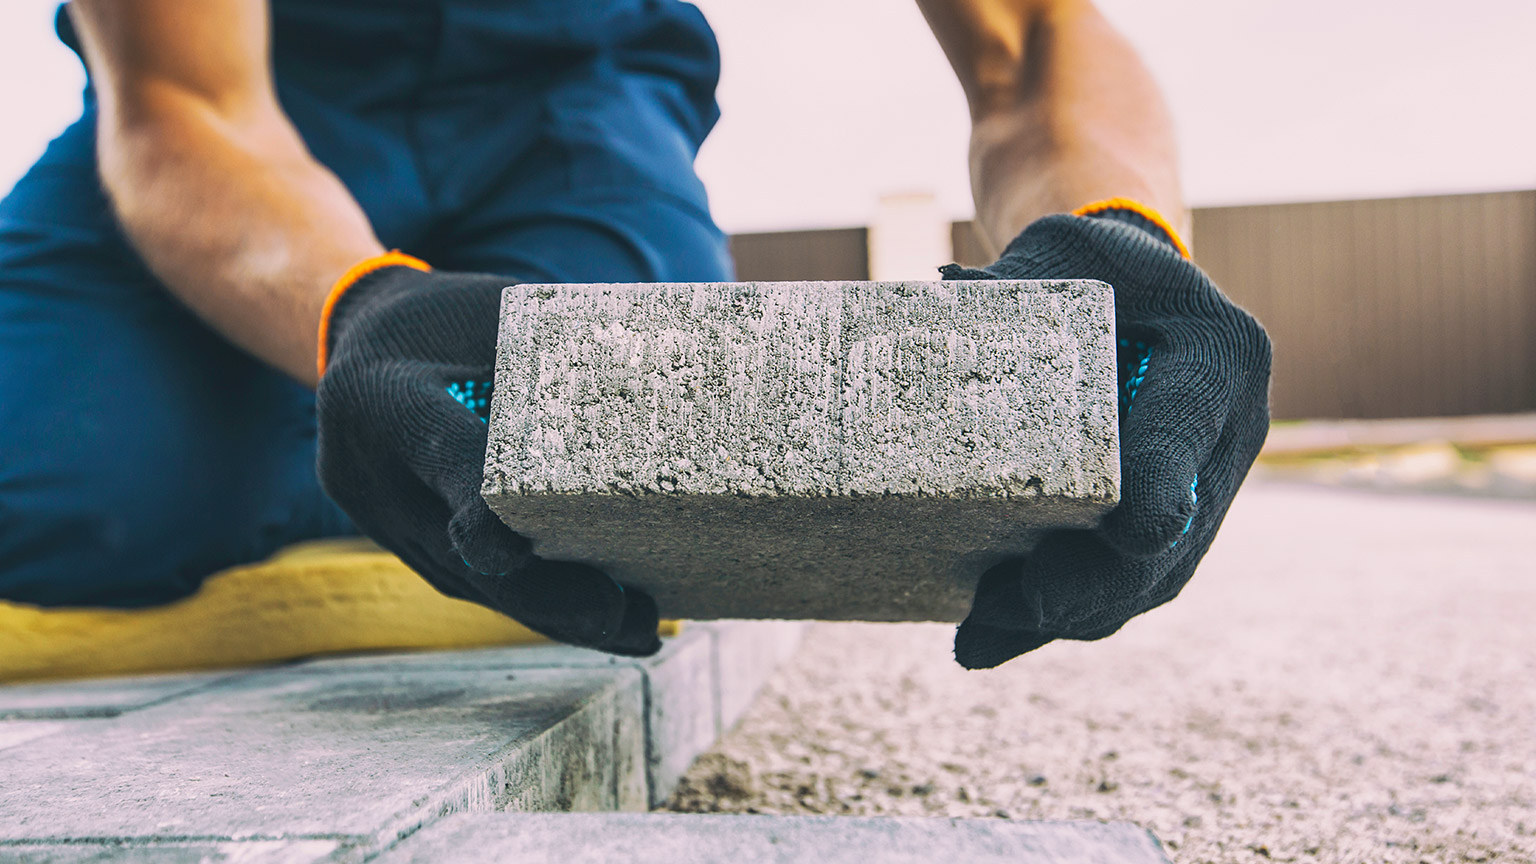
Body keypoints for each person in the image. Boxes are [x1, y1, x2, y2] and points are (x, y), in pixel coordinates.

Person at [0, 0, 1270, 668]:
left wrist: (1123, 239)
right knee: (50, 495)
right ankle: (338, 428)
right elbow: (182, 99)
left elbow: (1033, 34)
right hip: (238, 116)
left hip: (573, 106)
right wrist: (357, 312)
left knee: (644, 462)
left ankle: (333, 440)